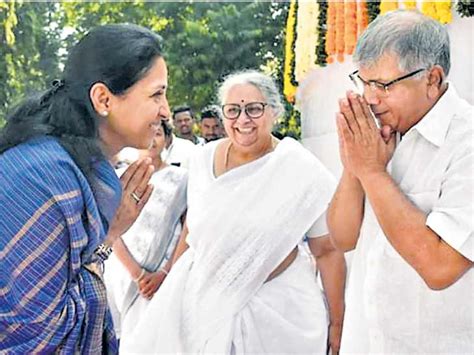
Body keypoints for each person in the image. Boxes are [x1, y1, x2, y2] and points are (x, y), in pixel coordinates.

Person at [121, 70, 346, 354]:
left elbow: (327, 250)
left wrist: (337, 323)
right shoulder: (202, 160)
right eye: (233, 110)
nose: (243, 120)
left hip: (279, 316)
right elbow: (193, 231)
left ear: (274, 112)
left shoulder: (300, 168)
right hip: (203, 303)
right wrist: (171, 289)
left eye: (254, 109)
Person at [0, 24, 170, 352]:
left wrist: (107, 233)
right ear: (103, 99)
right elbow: (39, 335)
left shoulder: (77, 168)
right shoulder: (45, 179)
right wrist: (107, 237)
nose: (165, 111)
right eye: (156, 94)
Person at [328, 10, 473, 353]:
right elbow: (343, 237)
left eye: (383, 85)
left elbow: (440, 267)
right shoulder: (378, 135)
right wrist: (355, 165)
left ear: (432, 79)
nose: (370, 98)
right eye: (363, 82)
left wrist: (374, 173)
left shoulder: (466, 141)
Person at [104, 120, 187, 339]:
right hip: (122, 271)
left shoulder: (182, 179)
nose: (152, 139)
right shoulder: (119, 176)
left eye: (158, 133)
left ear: (167, 140)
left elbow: (188, 229)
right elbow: (111, 228)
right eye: (146, 132)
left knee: (157, 338)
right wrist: (137, 273)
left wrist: (165, 272)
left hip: (164, 273)